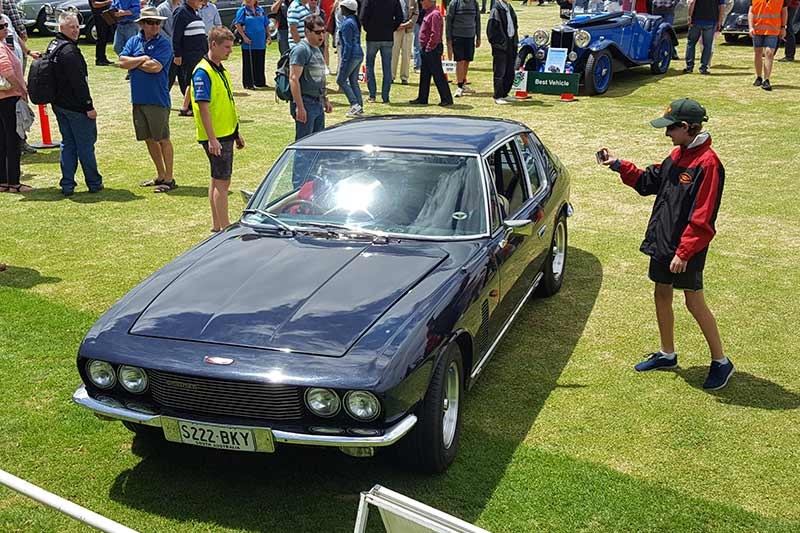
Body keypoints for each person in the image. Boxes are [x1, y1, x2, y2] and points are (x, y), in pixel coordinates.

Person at [599, 98, 732, 391]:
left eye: (670, 129)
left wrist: (684, 252)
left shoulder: (708, 164)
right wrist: (619, 165)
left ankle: (721, 362)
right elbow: (650, 181)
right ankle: (667, 354)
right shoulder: (677, 154)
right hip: (663, 242)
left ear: (686, 127)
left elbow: (703, 216)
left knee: (693, 301)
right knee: (661, 293)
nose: (666, 134)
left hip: (687, 249)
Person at [190, 26, 244, 232]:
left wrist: (236, 131)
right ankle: (224, 227)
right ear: (213, 45)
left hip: (225, 132)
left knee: (216, 178)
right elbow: (203, 107)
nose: (230, 50)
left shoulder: (219, 68)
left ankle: (216, 225)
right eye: (227, 47)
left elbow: (225, 103)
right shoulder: (204, 71)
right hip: (217, 136)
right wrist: (212, 139)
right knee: (223, 182)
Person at [119, 6, 176, 193]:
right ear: (142, 24)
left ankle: (169, 178)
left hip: (157, 99)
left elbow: (155, 68)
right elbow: (121, 62)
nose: (155, 26)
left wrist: (134, 62)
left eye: (157, 23)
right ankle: (160, 175)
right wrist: (143, 58)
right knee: (149, 139)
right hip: (138, 99)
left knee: (163, 139)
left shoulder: (164, 44)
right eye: (150, 22)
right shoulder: (134, 41)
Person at [48, 13, 103, 196]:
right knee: (85, 146)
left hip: (59, 105)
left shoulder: (53, 46)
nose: (76, 30)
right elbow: (79, 83)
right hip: (75, 107)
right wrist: (89, 107)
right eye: (72, 27)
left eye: (78, 26)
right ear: (61, 28)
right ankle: (94, 183)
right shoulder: (69, 51)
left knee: (68, 144)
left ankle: (67, 184)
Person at [0, 16, 31, 193]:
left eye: (6, 25)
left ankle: (3, 181)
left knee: (3, 140)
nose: (5, 28)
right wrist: (22, 90)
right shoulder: (1, 48)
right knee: (13, 140)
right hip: (9, 98)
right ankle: (14, 182)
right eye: (1, 27)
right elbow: (7, 71)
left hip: (3, 99)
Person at [289, 15, 332, 140]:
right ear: (307, 32)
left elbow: (319, 77)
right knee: (304, 144)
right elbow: (293, 78)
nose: (321, 36)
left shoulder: (317, 48)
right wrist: (300, 107)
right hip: (306, 102)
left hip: (317, 101)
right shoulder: (301, 50)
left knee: (317, 143)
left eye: (323, 32)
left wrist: (325, 99)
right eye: (318, 32)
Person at [410, 0, 453, 105]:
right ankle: (422, 98)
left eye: (423, 1)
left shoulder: (435, 14)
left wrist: (429, 47)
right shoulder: (428, 12)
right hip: (426, 48)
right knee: (425, 75)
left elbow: (435, 34)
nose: (421, 3)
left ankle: (446, 99)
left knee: (438, 75)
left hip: (432, 49)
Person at [360, 0, 403, 103]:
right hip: (387, 36)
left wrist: (368, 28)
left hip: (372, 36)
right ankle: (385, 96)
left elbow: (362, 17)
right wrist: (391, 28)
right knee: (387, 67)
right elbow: (400, 17)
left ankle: (372, 95)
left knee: (370, 65)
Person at [173, 0, 207, 115]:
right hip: (189, 54)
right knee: (191, 81)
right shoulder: (181, 12)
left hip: (200, 53)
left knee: (194, 80)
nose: (202, 1)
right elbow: (176, 35)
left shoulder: (195, 12)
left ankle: (187, 107)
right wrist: (177, 54)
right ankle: (186, 107)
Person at [749, 0, 788, 90]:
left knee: (769, 53)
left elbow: (784, 11)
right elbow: (751, 11)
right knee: (758, 53)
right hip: (757, 30)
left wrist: (783, 27)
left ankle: (766, 80)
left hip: (773, 30)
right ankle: (759, 77)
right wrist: (751, 27)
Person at [446, 0, 480, 97]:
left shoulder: (474, 3)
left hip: (470, 36)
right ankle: (459, 86)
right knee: (460, 60)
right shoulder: (454, 3)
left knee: (467, 60)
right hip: (457, 36)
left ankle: (463, 83)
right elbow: (448, 21)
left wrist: (478, 37)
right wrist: (449, 39)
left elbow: (477, 20)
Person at [486, 0, 517, 104]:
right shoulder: (496, 9)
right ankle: (498, 95)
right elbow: (491, 29)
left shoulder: (509, 7)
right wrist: (499, 43)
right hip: (501, 45)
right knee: (500, 71)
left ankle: (505, 93)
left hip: (511, 43)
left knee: (509, 70)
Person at [683, 0, 726, 75]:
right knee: (707, 45)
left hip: (696, 20)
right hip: (711, 21)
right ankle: (704, 68)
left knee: (691, 43)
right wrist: (720, 21)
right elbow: (722, 6)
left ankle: (689, 67)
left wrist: (689, 16)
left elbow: (692, 2)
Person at [336, 0, 363, 116]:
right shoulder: (354, 21)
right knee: (353, 81)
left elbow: (348, 45)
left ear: (346, 9)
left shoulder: (347, 23)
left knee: (341, 80)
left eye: (341, 8)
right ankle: (359, 106)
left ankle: (354, 104)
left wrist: (344, 61)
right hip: (358, 54)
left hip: (351, 55)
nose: (340, 10)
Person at [235, 0, 270, 89]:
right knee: (248, 62)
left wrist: (269, 36)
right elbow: (238, 24)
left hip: (260, 41)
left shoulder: (260, 10)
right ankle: (248, 83)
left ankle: (260, 82)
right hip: (249, 42)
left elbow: (266, 24)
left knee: (260, 61)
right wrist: (244, 37)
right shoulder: (242, 10)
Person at [393, 0, 419, 85]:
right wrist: (395, 25)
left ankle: (404, 77)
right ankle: (391, 76)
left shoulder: (413, 1)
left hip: (408, 30)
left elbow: (416, 14)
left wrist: (407, 24)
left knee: (406, 54)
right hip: (396, 30)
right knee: (394, 53)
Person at [157, 0, 182, 89]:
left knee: (186, 82)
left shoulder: (183, 7)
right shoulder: (162, 9)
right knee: (168, 81)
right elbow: (158, 29)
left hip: (182, 51)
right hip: (169, 51)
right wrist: (171, 40)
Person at [90, 0, 113, 65]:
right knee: (101, 37)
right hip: (99, 16)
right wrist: (108, 2)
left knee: (105, 38)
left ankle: (103, 58)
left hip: (106, 15)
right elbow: (94, 4)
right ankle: (99, 59)